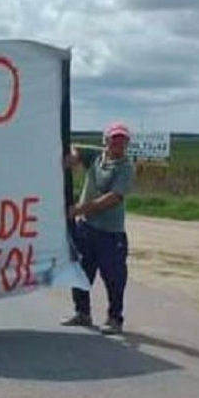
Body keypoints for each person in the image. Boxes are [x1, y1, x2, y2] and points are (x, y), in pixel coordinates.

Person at [61, 121, 135, 335]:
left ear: (127, 143)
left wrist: (80, 209)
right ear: (106, 141)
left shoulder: (126, 168)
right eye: (114, 139)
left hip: (110, 233)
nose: (118, 144)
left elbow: (112, 198)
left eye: (122, 140)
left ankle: (114, 319)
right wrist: (73, 159)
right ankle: (82, 313)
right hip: (86, 228)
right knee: (80, 272)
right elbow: (74, 147)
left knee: (113, 277)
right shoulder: (97, 156)